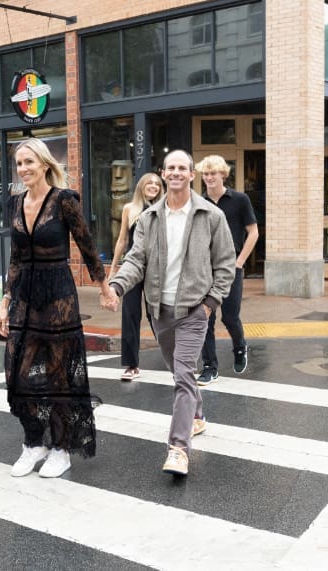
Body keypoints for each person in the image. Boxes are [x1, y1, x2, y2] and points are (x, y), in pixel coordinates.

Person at [104, 150, 235, 476]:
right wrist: (117, 286)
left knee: (185, 375)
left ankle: (178, 448)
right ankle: (198, 417)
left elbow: (225, 264)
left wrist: (209, 305)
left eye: (182, 168)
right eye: (171, 168)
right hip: (159, 311)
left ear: (191, 175)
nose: (176, 173)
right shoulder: (149, 219)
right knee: (181, 374)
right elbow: (135, 260)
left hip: (194, 311)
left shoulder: (211, 216)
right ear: (163, 173)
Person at [0, 138, 116, 479]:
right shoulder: (14, 203)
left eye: (29, 162)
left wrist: (104, 287)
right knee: (16, 373)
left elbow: (87, 244)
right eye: (19, 163)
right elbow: (16, 257)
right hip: (26, 296)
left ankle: (61, 448)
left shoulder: (64, 201)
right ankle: (34, 442)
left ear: (45, 164)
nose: (23, 169)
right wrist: (4, 303)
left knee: (59, 377)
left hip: (58, 294)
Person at [195, 155, 259, 385]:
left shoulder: (240, 200)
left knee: (230, 316)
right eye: (206, 173)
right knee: (204, 318)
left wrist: (239, 261)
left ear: (223, 174)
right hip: (204, 270)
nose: (209, 177)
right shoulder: (198, 203)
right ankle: (210, 367)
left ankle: (240, 347)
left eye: (214, 173)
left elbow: (253, 232)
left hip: (231, 269)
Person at [108, 172, 164, 381]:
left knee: (156, 313)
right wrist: (114, 269)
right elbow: (122, 240)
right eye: (149, 183)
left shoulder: (164, 208)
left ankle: (175, 355)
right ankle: (132, 365)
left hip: (156, 269)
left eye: (157, 184)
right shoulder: (129, 209)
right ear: (141, 186)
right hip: (132, 267)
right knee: (130, 314)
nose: (153, 186)